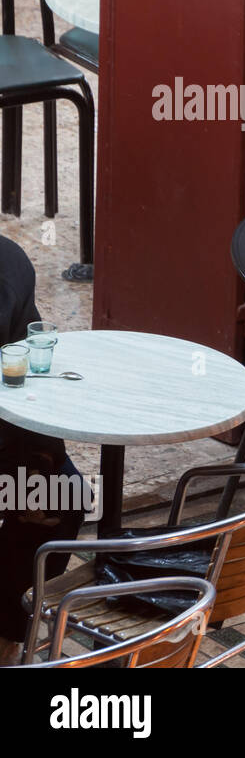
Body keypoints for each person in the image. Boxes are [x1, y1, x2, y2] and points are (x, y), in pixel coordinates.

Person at [0, 236, 85, 665]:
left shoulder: (8, 264)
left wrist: (40, 466)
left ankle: (8, 632)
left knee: (63, 494)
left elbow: (27, 376)